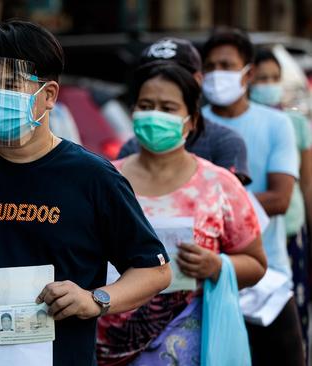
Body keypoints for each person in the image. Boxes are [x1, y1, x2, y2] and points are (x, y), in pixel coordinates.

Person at [0, 20, 172, 365]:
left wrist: (95, 299)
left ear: (50, 95)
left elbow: (154, 270)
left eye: (10, 84)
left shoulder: (92, 178)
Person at [96, 61, 266, 365]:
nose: (155, 115)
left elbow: (256, 264)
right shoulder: (103, 179)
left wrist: (217, 265)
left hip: (186, 348)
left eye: (168, 107)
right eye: (146, 105)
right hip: (105, 348)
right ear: (133, 111)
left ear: (191, 121)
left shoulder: (220, 185)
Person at [200, 27, 304, 366]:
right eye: (211, 66)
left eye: (227, 66)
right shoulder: (194, 124)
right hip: (207, 276)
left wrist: (214, 209)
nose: (218, 75)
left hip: (267, 274)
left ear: (249, 72)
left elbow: (281, 199)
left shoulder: (276, 124)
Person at [118, 37, 252, 185]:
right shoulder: (131, 149)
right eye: (151, 76)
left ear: (198, 80)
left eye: (174, 76)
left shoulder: (224, 142)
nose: (160, 82)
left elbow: (230, 201)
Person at [249, 48, 312, 358]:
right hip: (253, 237)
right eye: (261, 78)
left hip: (291, 230)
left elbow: (307, 182)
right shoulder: (237, 125)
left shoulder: (294, 123)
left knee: (292, 309)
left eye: (274, 78)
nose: (268, 84)